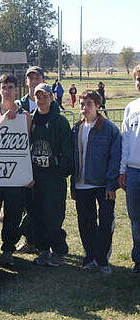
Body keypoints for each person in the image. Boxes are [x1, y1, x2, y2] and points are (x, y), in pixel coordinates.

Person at [0, 73, 31, 266]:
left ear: (16, 90)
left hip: (13, 173)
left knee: (13, 213)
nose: (7, 90)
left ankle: (8, 248)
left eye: (11, 87)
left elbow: (26, 145)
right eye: (4, 87)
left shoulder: (24, 115)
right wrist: (2, 120)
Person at [71, 90, 121, 274]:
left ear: (98, 106)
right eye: (82, 104)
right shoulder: (76, 128)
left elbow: (115, 159)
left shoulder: (110, 129)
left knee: (106, 221)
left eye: (89, 104)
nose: (85, 108)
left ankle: (102, 259)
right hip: (82, 184)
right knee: (85, 221)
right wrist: (73, 184)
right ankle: (89, 256)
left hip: (102, 184)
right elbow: (74, 159)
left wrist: (111, 184)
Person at [15, 66, 60, 254]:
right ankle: (29, 240)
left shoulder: (53, 105)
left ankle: (46, 243)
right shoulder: (20, 103)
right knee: (27, 205)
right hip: (23, 162)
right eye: (30, 78)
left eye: (37, 78)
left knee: (46, 206)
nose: (33, 81)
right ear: (26, 82)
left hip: (46, 165)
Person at [30, 83, 73, 267]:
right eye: (38, 96)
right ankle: (43, 249)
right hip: (35, 175)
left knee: (53, 215)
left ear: (51, 97)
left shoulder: (59, 121)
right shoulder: (29, 120)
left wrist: (62, 170)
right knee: (36, 213)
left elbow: (68, 149)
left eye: (45, 96)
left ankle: (59, 251)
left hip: (53, 177)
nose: (41, 99)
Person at [119, 64, 140, 273]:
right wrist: (122, 170)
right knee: (135, 218)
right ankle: (138, 259)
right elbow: (125, 142)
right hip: (134, 171)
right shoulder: (131, 107)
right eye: (138, 79)